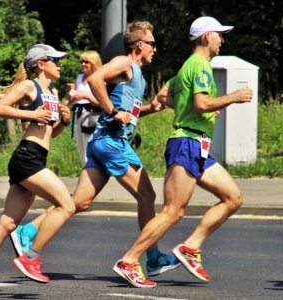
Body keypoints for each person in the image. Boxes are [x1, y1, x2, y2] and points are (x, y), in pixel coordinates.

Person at [9, 21, 180, 283]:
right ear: (139, 46)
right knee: (147, 195)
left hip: (104, 142)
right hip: (112, 143)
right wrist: (111, 111)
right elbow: (94, 79)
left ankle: (28, 232)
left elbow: (126, 111)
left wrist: (148, 110)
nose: (156, 49)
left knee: (80, 202)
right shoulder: (124, 62)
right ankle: (148, 258)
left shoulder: (137, 74)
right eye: (153, 44)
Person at [112, 16, 253, 288]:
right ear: (206, 37)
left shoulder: (191, 66)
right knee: (173, 212)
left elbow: (164, 95)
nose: (222, 40)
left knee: (233, 198)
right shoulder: (199, 66)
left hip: (197, 145)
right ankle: (129, 260)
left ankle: (191, 247)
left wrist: (189, 105)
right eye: (219, 35)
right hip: (186, 142)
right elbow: (201, 103)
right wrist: (232, 97)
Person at [0, 44, 74, 299]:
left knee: (7, 223)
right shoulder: (30, 86)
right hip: (27, 157)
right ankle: (32, 258)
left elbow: (48, 132)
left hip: (36, 155)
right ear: (41, 63)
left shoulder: (51, 91)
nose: (60, 65)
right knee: (67, 204)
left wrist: (62, 121)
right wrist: (31, 113)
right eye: (56, 61)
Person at [67, 50, 103, 165]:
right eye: (82, 61)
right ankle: (86, 171)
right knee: (81, 150)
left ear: (94, 63)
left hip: (92, 115)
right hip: (78, 114)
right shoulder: (79, 77)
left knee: (90, 149)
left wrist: (86, 96)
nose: (83, 64)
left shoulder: (100, 78)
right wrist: (71, 92)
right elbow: (74, 98)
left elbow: (103, 103)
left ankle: (92, 175)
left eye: (86, 62)